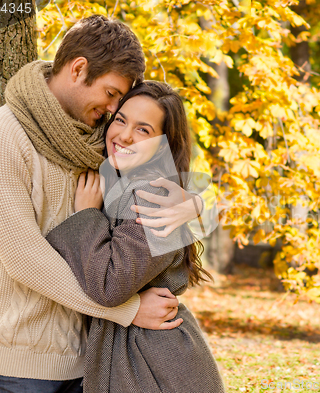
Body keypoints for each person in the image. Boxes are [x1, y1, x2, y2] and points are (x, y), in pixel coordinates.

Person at [0, 15, 202, 393]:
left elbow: (161, 169)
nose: (113, 111)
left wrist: (195, 203)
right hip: (21, 365)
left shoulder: (100, 139)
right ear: (79, 69)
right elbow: (24, 259)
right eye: (112, 94)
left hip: (95, 361)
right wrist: (127, 310)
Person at [46, 81, 225, 393]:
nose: (125, 136)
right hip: (139, 351)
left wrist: (85, 216)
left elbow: (110, 285)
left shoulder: (153, 193)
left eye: (143, 130)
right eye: (120, 120)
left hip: (152, 362)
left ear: (163, 144)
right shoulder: (121, 181)